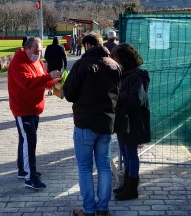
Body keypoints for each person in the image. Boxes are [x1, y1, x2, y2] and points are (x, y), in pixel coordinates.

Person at [63, 32, 122, 216]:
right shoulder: (114, 65)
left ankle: (89, 210)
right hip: (106, 123)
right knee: (104, 165)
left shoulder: (82, 64)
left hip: (85, 123)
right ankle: (103, 208)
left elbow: (69, 94)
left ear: (88, 46)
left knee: (85, 168)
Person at [8, 36, 61, 190]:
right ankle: (29, 177)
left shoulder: (37, 61)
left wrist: (54, 81)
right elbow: (27, 83)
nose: (38, 53)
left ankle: (23, 169)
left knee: (25, 140)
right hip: (23, 109)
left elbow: (43, 80)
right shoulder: (17, 63)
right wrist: (48, 76)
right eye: (36, 50)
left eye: (40, 50)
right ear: (27, 48)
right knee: (29, 142)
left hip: (34, 108)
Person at [110, 43, 151, 201]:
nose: (115, 61)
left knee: (131, 155)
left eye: (117, 58)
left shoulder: (137, 75)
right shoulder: (124, 73)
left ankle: (132, 188)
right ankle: (127, 183)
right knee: (125, 154)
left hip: (133, 121)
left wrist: (117, 96)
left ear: (124, 59)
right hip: (123, 121)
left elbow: (137, 98)